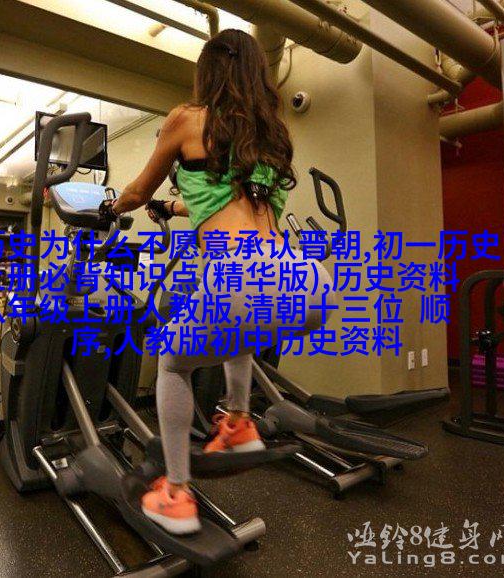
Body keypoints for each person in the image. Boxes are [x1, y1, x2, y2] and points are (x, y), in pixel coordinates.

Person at [99, 29, 335, 535]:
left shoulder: (187, 118)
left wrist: (110, 208)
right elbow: (233, 198)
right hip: (307, 280)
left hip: (240, 276)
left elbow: (137, 191)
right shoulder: (272, 134)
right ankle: (240, 423)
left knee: (171, 362)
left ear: (207, 71)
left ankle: (176, 493)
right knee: (238, 334)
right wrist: (175, 206)